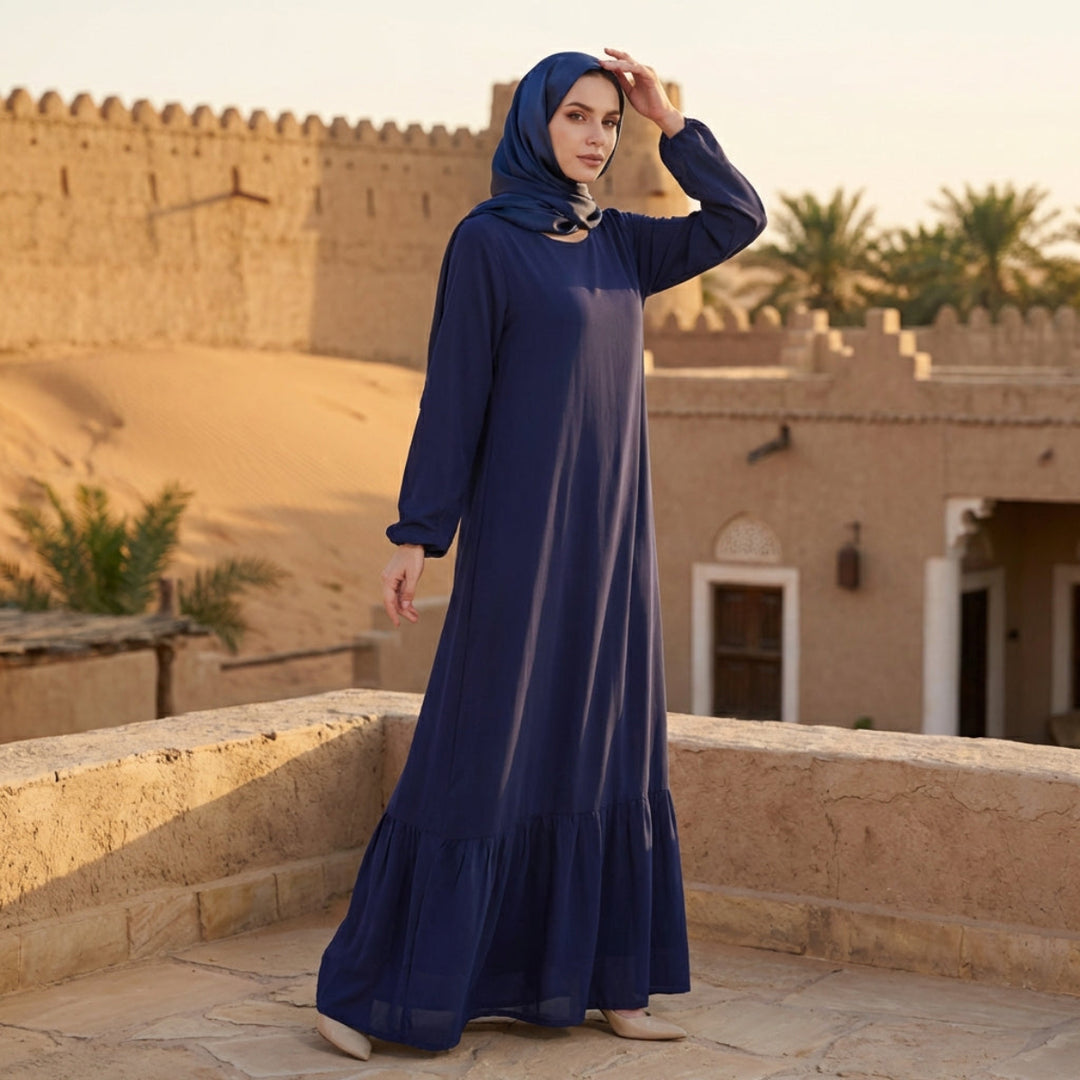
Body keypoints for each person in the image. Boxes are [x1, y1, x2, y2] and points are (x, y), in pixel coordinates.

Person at [315, 47, 766, 1059]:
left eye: (609, 121)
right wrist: (418, 535)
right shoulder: (488, 242)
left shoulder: (619, 247)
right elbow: (455, 394)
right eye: (579, 116)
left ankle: (610, 980)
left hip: (610, 547)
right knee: (480, 751)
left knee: (606, 747)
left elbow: (738, 220)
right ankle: (360, 993)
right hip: (523, 540)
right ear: (534, 124)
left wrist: (672, 124)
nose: (597, 137)